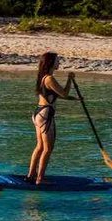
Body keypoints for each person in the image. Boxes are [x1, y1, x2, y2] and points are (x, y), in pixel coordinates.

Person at [26, 51, 75, 185]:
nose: (59, 62)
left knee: (40, 147)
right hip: (46, 115)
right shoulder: (49, 79)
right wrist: (70, 79)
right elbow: (64, 94)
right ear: (51, 63)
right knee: (48, 148)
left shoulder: (43, 77)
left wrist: (76, 99)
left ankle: (31, 175)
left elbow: (56, 94)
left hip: (39, 113)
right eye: (57, 60)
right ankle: (40, 179)